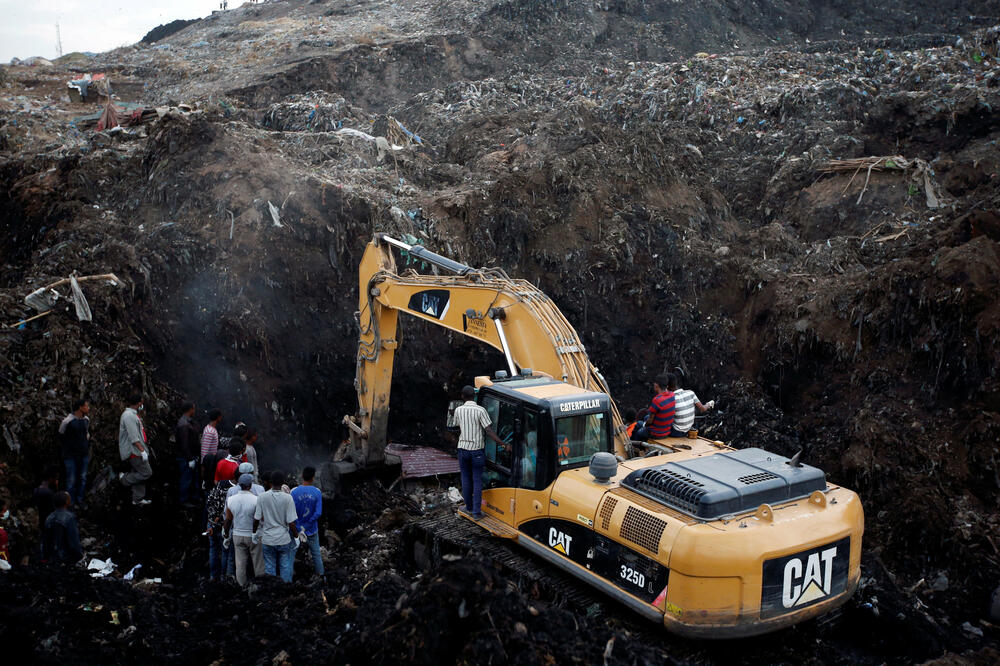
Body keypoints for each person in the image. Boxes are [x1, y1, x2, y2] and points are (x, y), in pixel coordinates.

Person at [453, 385, 504, 520]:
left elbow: (457, 426)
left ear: (462, 397)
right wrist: (503, 444)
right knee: (477, 480)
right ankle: (476, 513)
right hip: (477, 452)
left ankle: (468, 507)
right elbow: (488, 430)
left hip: (463, 449)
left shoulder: (458, 410)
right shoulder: (480, 410)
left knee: (465, 478)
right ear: (474, 396)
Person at [254, 471, 299, 583]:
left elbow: (256, 518)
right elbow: (291, 522)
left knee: (270, 568)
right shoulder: (288, 498)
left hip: (268, 539)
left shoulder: (262, 497)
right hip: (283, 539)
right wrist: (296, 536)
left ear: (270, 482)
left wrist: (253, 533)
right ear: (283, 482)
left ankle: (272, 592)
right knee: (285, 566)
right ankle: (286, 589)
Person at [225, 473, 263, 586]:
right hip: (252, 535)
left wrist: (226, 535)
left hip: (237, 534)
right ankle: (260, 586)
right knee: (258, 563)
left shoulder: (231, 499)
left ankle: (241, 587)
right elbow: (259, 518)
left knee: (240, 564)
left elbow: (228, 520)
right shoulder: (256, 500)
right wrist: (255, 532)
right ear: (250, 485)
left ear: (239, 485)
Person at [118, 393, 152, 505]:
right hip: (134, 451)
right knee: (146, 473)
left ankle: (137, 498)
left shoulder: (133, 414)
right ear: (139, 403)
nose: (142, 404)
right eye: (141, 402)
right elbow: (133, 437)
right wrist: (142, 451)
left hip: (137, 449)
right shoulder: (129, 416)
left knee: (138, 472)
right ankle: (124, 479)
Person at [291, 466, 323, 579]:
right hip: (312, 530)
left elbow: (291, 512)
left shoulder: (294, 492)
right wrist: (307, 525)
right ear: (313, 478)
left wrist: (299, 528)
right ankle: (322, 577)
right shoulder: (317, 492)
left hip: (296, 530)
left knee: (291, 555)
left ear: (302, 476)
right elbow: (318, 513)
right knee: (316, 555)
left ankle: (289, 580)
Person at [59, 398, 91, 506]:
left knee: (82, 478)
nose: (88, 408)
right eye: (86, 406)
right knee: (71, 480)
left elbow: (87, 433)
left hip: (83, 454)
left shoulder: (86, 420)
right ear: (80, 407)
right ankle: (70, 502)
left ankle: (80, 499)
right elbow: (61, 434)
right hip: (71, 455)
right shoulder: (68, 421)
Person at [206, 471, 236, 580]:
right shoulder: (234, 491)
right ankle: (223, 577)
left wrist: (212, 519)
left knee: (213, 549)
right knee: (225, 551)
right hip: (225, 525)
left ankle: (213, 576)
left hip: (212, 523)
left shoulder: (219, 485)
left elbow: (209, 501)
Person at [41, 491, 82, 564]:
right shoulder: (69, 518)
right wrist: (78, 556)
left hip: (52, 560)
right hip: (66, 559)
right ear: (67, 502)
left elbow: (45, 541)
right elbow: (74, 542)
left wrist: (45, 557)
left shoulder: (49, 518)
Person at [633, 374, 676, 441]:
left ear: (656, 386)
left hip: (657, 434)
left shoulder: (657, 400)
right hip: (667, 431)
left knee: (639, 430)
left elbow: (650, 421)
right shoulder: (672, 395)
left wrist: (645, 425)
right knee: (646, 417)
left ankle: (635, 447)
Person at [175, 401, 199, 505]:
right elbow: (184, 444)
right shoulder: (183, 424)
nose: (195, 410)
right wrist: (189, 459)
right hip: (185, 457)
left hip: (189, 456)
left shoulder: (187, 422)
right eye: (193, 408)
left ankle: (191, 498)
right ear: (190, 410)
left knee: (190, 478)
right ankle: (183, 500)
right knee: (186, 479)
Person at [33, 466, 59, 530]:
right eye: (56, 478)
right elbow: (54, 509)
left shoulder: (37, 490)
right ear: (51, 479)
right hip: (48, 524)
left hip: (41, 523)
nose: (56, 480)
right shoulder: (49, 493)